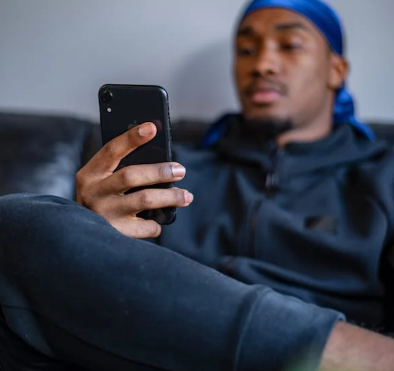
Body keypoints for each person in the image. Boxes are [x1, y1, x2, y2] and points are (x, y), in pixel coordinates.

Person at [1, 0, 394, 370]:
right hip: (161, 341)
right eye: (245, 51)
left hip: (322, 350)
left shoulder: (381, 175)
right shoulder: (171, 168)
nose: (263, 64)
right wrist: (93, 232)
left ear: (336, 70)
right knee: (17, 220)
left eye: (290, 45)